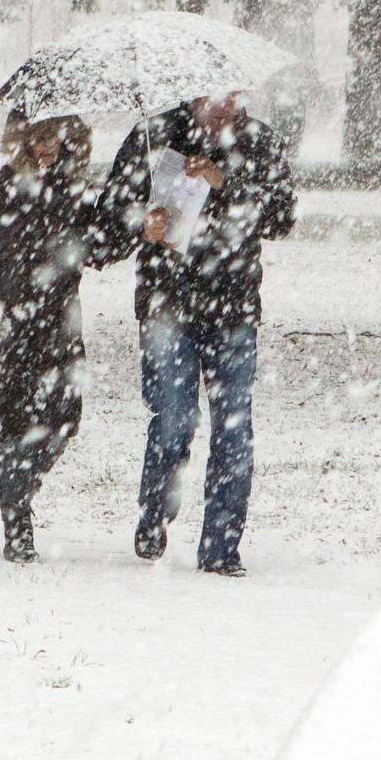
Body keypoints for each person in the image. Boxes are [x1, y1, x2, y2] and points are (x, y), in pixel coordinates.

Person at [92, 91, 294, 573]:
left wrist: (227, 184)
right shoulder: (152, 137)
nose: (224, 105)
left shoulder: (259, 142)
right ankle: (154, 516)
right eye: (213, 96)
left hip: (233, 308)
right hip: (167, 306)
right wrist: (140, 226)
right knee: (174, 418)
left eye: (233, 95)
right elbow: (107, 226)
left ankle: (221, 548)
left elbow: (282, 218)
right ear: (192, 93)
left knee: (234, 429)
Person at [0, 111, 94, 564]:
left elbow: (102, 244)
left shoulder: (73, 194)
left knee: (62, 420)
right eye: (38, 137)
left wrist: (145, 224)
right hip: (4, 329)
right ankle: (16, 516)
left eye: (55, 137)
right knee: (13, 423)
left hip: (56, 328)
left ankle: (17, 486)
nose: (46, 147)